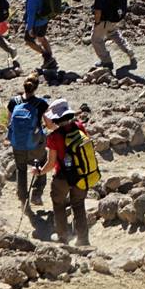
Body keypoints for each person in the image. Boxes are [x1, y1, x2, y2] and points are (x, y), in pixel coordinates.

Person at [42, 98, 100, 246]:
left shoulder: (53, 137)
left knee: (59, 204)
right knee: (78, 205)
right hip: (81, 175)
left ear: (55, 118)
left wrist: (39, 171)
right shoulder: (79, 126)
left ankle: (63, 238)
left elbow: (51, 163)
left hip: (62, 178)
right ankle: (83, 240)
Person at [4, 74, 49, 207]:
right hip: (35, 144)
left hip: (18, 143)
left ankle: (23, 198)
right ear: (36, 87)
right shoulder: (41, 103)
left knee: (21, 169)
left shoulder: (14, 102)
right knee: (42, 163)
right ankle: (36, 194)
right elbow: (48, 123)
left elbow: (9, 122)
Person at [89, 0, 136, 72]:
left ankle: (107, 62)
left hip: (103, 20)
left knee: (96, 40)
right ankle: (130, 52)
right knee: (114, 34)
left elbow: (98, 10)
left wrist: (97, 22)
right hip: (114, 19)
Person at [22, 0, 58, 73]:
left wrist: (29, 28)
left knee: (28, 40)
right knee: (41, 37)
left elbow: (31, 13)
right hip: (45, 18)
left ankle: (47, 56)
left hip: (36, 22)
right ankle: (51, 60)